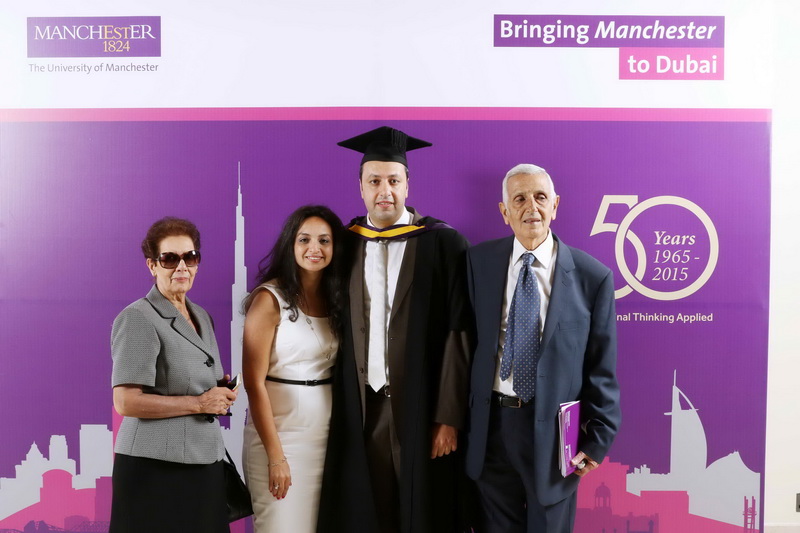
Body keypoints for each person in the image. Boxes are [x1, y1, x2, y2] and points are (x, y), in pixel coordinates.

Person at [318, 126, 472, 533]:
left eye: (393, 180)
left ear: (407, 185)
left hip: (422, 406)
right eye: (374, 181)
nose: (384, 191)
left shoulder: (444, 244)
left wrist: (448, 418)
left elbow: (459, 335)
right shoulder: (344, 245)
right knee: (367, 510)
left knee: (422, 512)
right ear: (361, 187)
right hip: (361, 406)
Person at [465, 164, 621, 533]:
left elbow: (602, 367)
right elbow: (464, 345)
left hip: (554, 434)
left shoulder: (592, 276)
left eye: (540, 197)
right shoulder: (478, 262)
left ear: (555, 205)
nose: (531, 207)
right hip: (490, 428)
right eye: (519, 199)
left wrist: (598, 439)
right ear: (505, 212)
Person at [110, 217, 238, 533]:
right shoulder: (138, 317)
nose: (181, 267)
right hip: (154, 468)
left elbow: (188, 378)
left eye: (190, 257)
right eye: (169, 259)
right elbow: (126, 402)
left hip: (205, 461)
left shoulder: (202, 316)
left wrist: (218, 390)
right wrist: (200, 403)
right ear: (152, 265)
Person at [241, 205, 345, 533]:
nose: (315, 248)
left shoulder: (338, 297)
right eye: (305, 239)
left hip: (326, 437)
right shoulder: (269, 299)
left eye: (324, 240)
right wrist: (276, 456)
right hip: (280, 437)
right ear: (291, 244)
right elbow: (253, 383)